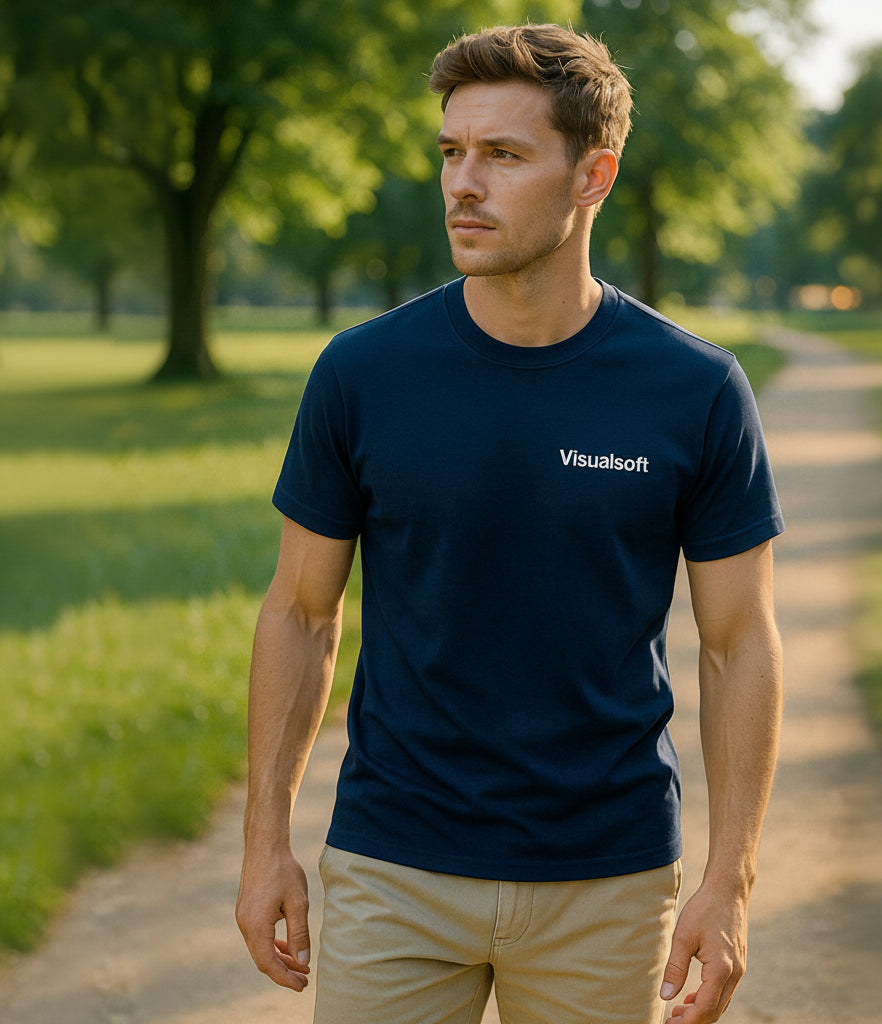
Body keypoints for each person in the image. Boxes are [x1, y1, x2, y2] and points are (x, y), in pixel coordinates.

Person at [236, 23, 783, 1024]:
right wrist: (264, 841)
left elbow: (739, 641)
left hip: (608, 880)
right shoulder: (362, 374)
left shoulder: (695, 390)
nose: (462, 183)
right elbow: (301, 613)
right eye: (451, 151)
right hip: (393, 867)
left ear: (592, 176)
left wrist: (731, 880)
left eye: (502, 154)